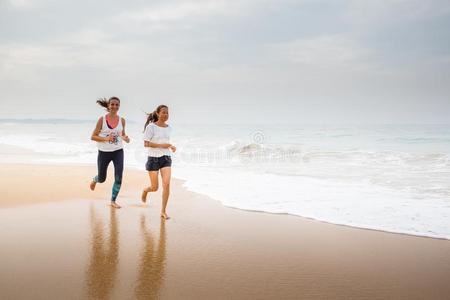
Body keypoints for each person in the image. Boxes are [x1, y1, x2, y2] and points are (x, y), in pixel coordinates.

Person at [90, 97, 130, 209]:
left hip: (118, 151)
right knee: (102, 179)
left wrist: (126, 138)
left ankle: (113, 201)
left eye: (117, 105)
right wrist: (106, 139)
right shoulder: (102, 119)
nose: (115, 106)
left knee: (119, 177)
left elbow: (122, 134)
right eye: (112, 104)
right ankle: (95, 180)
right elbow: (93, 136)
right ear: (108, 106)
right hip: (104, 152)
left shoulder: (122, 120)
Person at [141, 105, 176, 219]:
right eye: (163, 112)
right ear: (157, 113)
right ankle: (146, 190)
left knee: (166, 184)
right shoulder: (151, 127)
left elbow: (165, 142)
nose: (166, 114)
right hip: (153, 159)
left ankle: (163, 211)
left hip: (166, 158)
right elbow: (146, 144)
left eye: (167, 113)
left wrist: (171, 146)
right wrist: (162, 145)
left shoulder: (169, 128)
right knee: (155, 187)